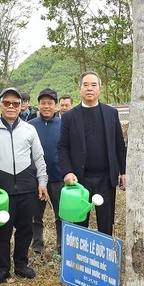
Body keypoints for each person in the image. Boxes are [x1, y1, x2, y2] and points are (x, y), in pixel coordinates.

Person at [0, 88, 48, 284]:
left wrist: (42, 182)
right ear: (0, 105)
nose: (11, 107)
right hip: (2, 189)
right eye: (6, 103)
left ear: (21, 106)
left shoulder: (29, 129)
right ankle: (3, 268)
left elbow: (39, 157)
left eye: (15, 103)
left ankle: (21, 264)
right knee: (3, 229)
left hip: (27, 186)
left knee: (25, 228)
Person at [58, 71, 127, 236]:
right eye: (86, 85)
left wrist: (123, 172)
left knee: (106, 223)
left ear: (100, 89)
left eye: (94, 85)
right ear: (80, 89)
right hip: (80, 180)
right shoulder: (69, 117)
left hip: (106, 178)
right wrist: (67, 171)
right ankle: (80, 259)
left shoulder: (111, 113)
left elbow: (119, 144)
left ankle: (105, 259)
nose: (90, 88)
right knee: (80, 224)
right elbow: (62, 147)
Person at [29, 88, 65, 257]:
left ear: (55, 105)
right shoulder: (30, 126)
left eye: (50, 103)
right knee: (36, 216)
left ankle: (62, 247)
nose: (46, 106)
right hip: (37, 179)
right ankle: (37, 247)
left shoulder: (63, 124)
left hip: (58, 176)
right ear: (39, 105)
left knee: (61, 215)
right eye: (43, 103)